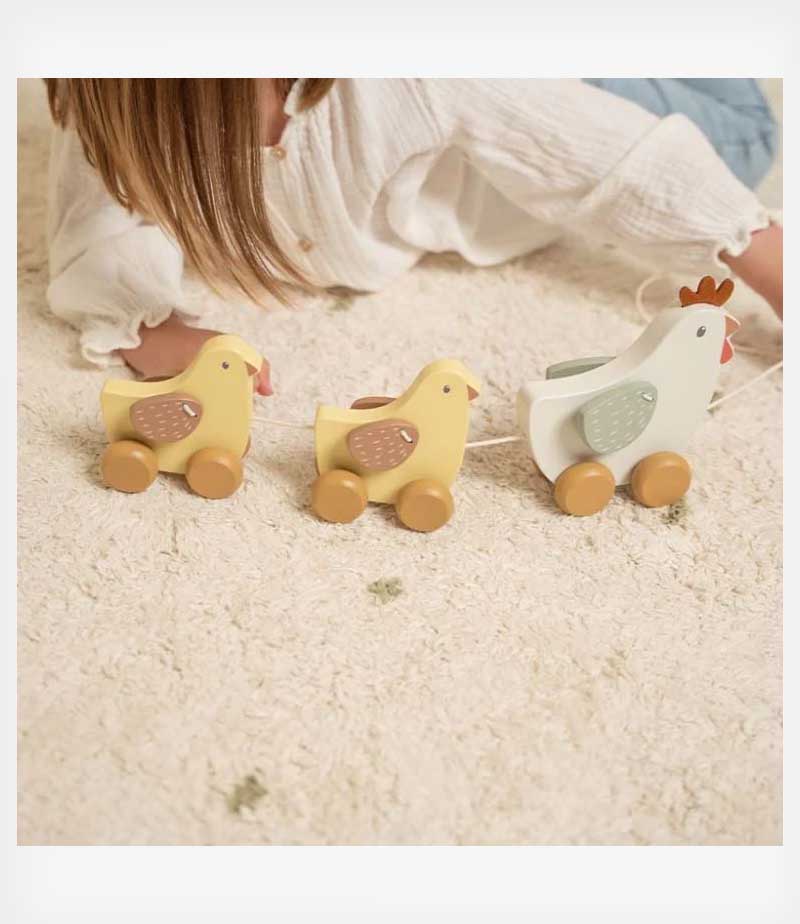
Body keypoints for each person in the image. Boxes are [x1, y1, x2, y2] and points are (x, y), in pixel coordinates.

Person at [45, 78, 782, 396]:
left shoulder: (413, 67)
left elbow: (622, 163)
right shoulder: (116, 100)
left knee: (748, 140)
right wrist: (155, 327)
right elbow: (97, 225)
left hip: (575, 84)